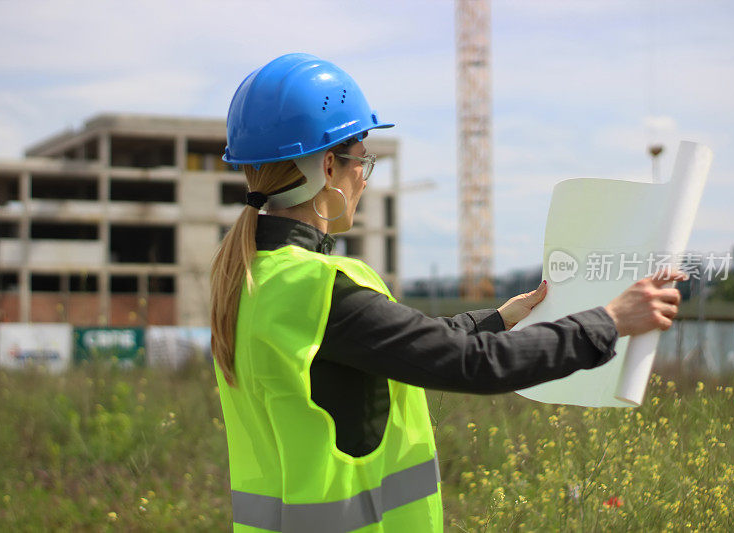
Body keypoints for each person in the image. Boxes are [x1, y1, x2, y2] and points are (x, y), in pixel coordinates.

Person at [210, 53, 686, 533]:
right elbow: (472, 364)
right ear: (330, 166)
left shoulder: (250, 280)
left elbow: (396, 342)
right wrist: (609, 321)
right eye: (363, 160)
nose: (363, 178)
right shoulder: (322, 288)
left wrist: (497, 318)